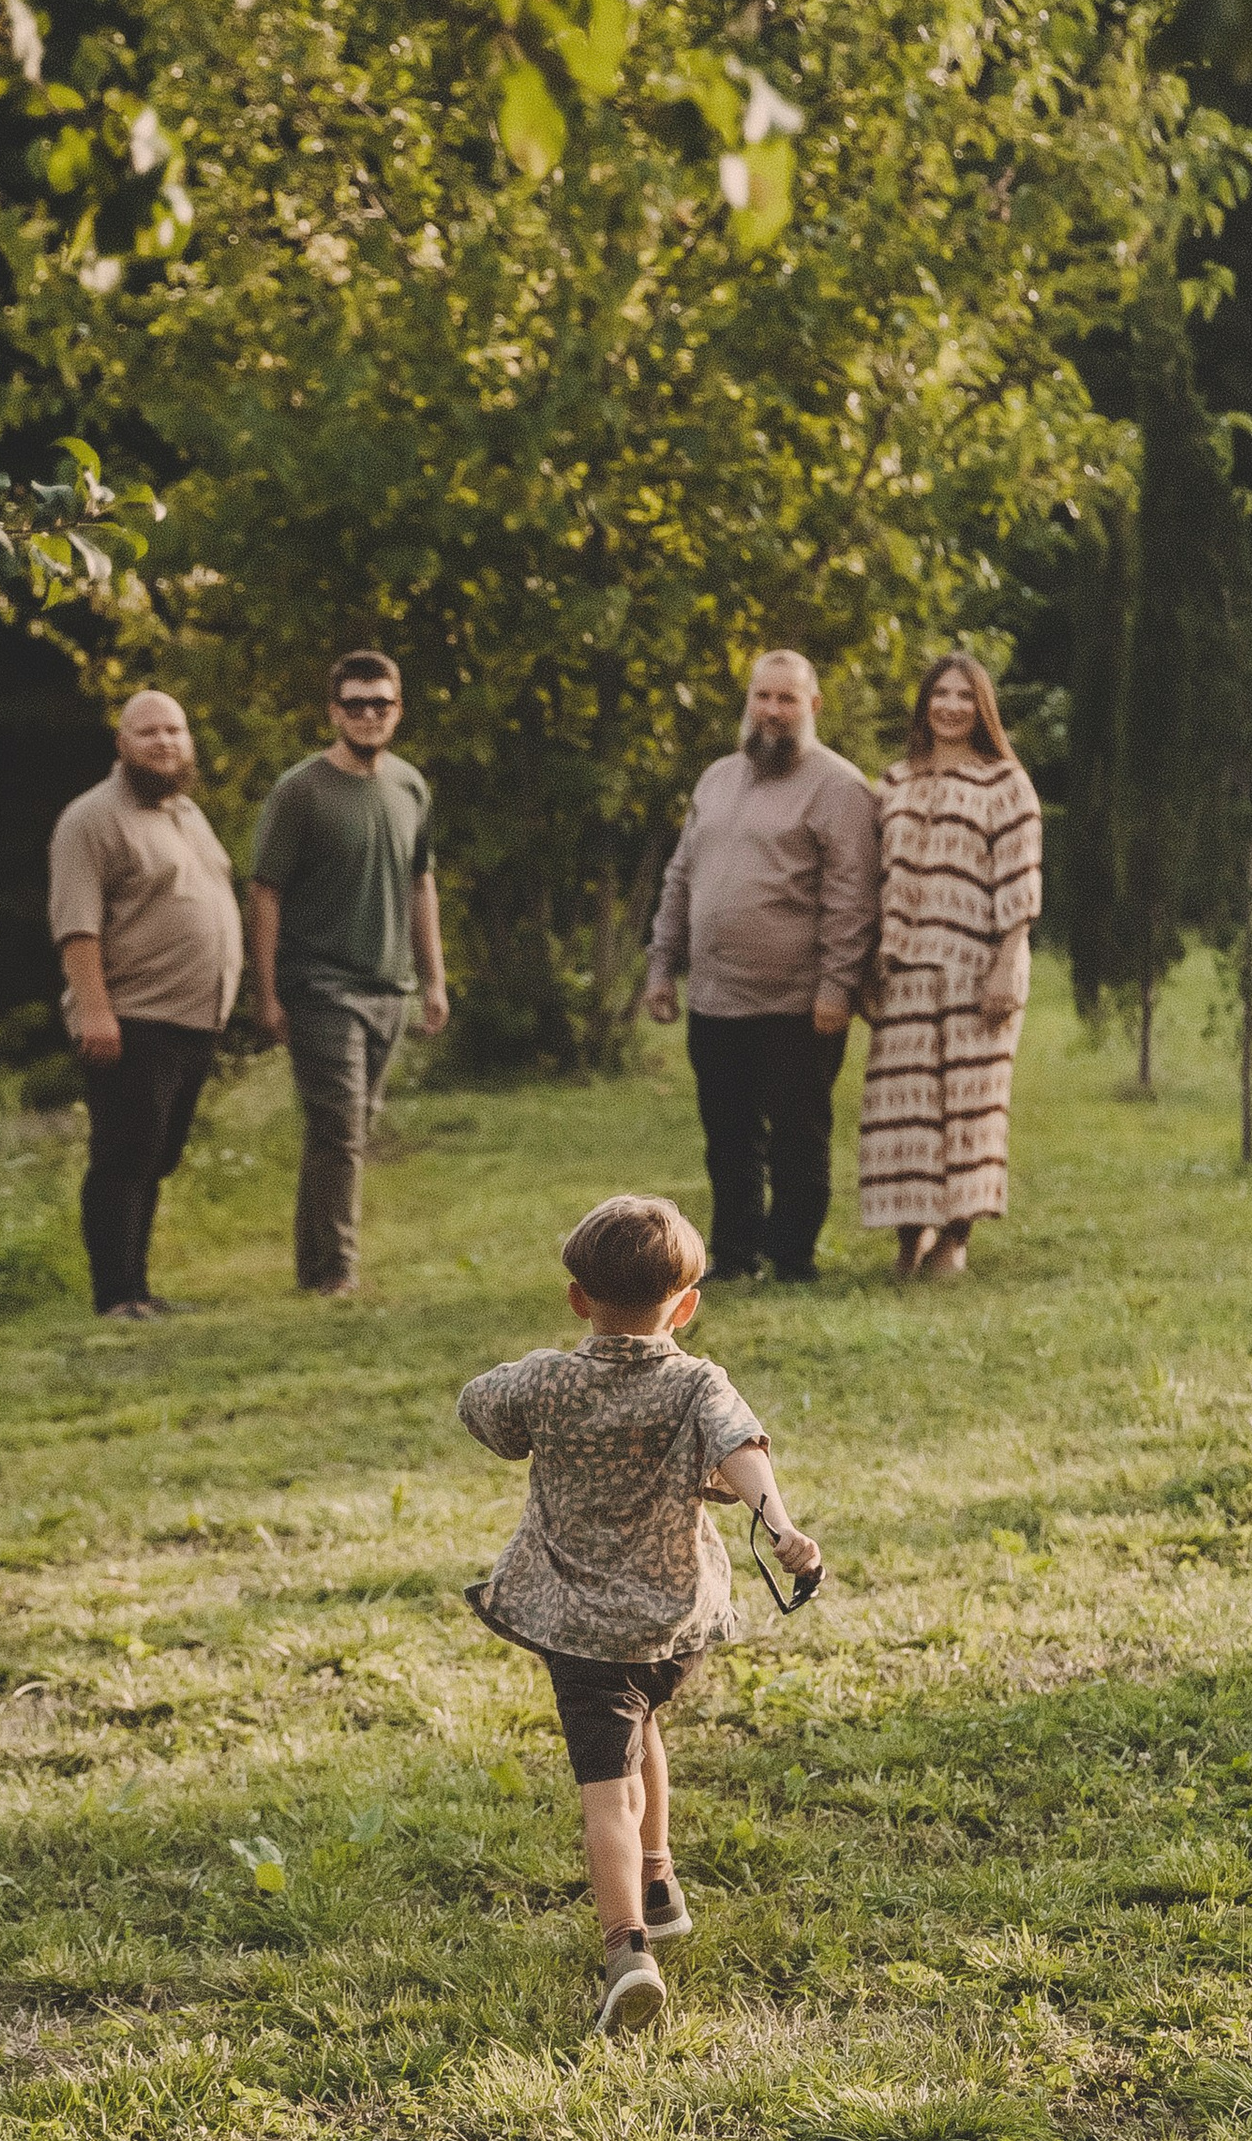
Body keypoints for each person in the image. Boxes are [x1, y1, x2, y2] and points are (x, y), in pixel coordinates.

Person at [457, 1193, 822, 2038]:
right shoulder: (698, 1381)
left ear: (578, 1297)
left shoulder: (546, 1379)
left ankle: (627, 1952)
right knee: (643, 1721)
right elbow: (742, 1452)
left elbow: (482, 1410)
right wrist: (781, 1525)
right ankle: (659, 1881)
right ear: (686, 1306)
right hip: (672, 1625)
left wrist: (541, 1389)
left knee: (605, 1791)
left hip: (580, 1626)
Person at [644, 650, 880, 1284]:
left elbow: (852, 899)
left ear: (814, 706)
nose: (773, 711)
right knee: (728, 1138)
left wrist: (837, 988)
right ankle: (733, 1254)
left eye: (788, 699)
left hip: (798, 1004)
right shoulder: (717, 779)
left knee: (798, 1140)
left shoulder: (839, 788)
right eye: (763, 697)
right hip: (714, 999)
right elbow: (680, 877)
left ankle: (792, 1256)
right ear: (748, 700)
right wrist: (661, 966)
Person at [249, 650, 449, 1297]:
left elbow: (422, 885)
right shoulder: (300, 791)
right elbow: (266, 892)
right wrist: (268, 991)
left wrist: (435, 980)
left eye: (380, 704)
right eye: (355, 704)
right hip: (320, 985)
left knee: (345, 1128)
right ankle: (336, 1273)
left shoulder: (410, 787)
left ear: (397, 710)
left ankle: (316, 1269)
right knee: (340, 1126)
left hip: (389, 985)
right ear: (334, 711)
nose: (368, 715)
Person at [48, 687, 243, 1321]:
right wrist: (96, 1012)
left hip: (191, 1021)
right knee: (123, 1156)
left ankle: (138, 1288)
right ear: (122, 744)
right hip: (132, 1018)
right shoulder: (90, 819)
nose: (164, 742)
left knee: (156, 1155)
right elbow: (77, 927)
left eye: (174, 731)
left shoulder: (186, 813)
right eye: (147, 732)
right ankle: (115, 1297)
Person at [857, 650, 1043, 1280]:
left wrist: (1007, 963)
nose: (951, 707)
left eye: (965, 697)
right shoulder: (894, 782)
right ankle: (910, 1240)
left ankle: (955, 1239)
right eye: (941, 694)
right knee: (903, 1110)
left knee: (970, 1104)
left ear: (981, 708)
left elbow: (1020, 882)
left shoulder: (1005, 783)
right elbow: (869, 877)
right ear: (924, 704)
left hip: (976, 965)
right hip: (903, 970)